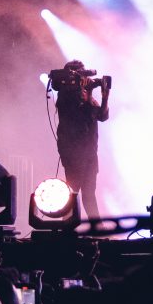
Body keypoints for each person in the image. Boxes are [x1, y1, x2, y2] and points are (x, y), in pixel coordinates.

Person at [50, 62, 110, 206]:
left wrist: (104, 97)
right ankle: (68, 226)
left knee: (89, 194)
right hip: (73, 153)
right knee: (73, 193)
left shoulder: (84, 94)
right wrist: (88, 93)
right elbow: (85, 115)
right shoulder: (65, 96)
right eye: (80, 73)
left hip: (89, 152)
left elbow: (102, 116)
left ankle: (95, 226)